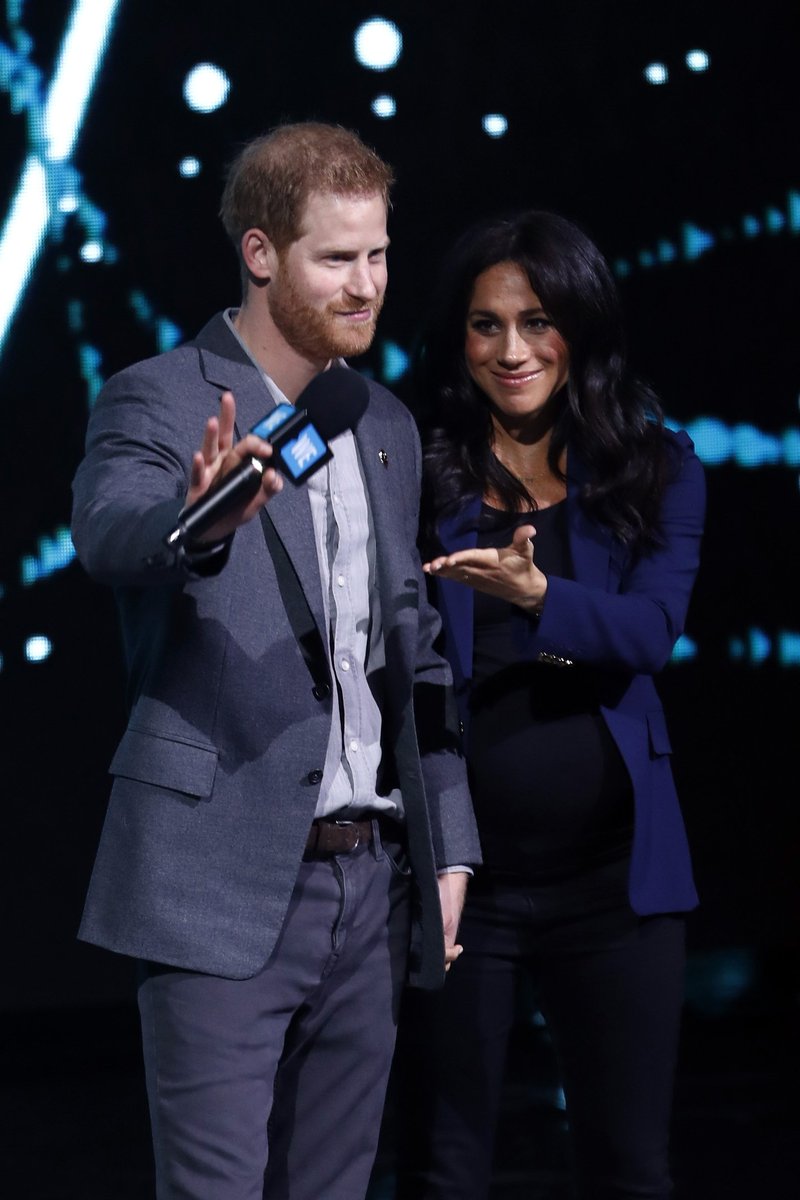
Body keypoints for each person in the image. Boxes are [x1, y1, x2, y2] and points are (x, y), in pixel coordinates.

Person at [70, 121, 480, 1200]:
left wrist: (449, 842)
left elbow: (417, 655)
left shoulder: (380, 421)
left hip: (371, 878)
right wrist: (203, 515)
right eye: (334, 258)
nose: (366, 285)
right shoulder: (159, 394)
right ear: (261, 255)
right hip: (216, 874)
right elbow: (113, 535)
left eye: (378, 254)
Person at [392, 210, 705, 1199]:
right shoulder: (419, 474)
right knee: (443, 1167)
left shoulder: (652, 467)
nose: (512, 349)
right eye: (485, 325)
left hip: (613, 887)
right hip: (458, 887)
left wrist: (537, 599)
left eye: (537, 320)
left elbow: (649, 635)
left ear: (580, 325)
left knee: (627, 1164)